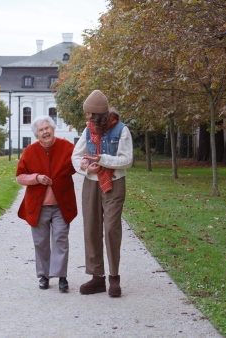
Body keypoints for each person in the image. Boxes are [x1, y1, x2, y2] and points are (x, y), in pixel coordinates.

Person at [72, 90, 133, 297]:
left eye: (90, 114)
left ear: (100, 115)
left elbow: (127, 160)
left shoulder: (121, 130)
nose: (87, 118)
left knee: (111, 229)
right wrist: (87, 168)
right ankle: (97, 277)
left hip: (114, 183)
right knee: (91, 228)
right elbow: (76, 156)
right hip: (91, 183)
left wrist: (103, 160)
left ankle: (114, 277)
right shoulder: (88, 130)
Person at [16, 115, 77, 292]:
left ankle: (62, 277)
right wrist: (36, 178)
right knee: (40, 242)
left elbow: (79, 164)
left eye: (47, 128)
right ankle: (43, 275)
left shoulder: (67, 147)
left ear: (53, 129)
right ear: (37, 135)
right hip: (38, 206)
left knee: (60, 239)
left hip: (61, 204)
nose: (45, 132)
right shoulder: (30, 151)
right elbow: (19, 177)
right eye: (41, 130)